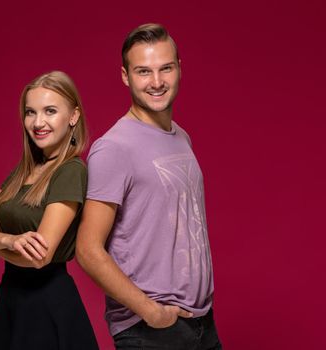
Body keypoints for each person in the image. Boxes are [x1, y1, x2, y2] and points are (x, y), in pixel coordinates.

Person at [76, 24, 222, 349]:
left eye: (165, 68)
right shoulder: (114, 148)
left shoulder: (181, 137)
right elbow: (87, 250)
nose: (156, 82)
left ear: (179, 68)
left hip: (201, 324)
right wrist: (151, 312)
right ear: (126, 76)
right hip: (150, 331)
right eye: (143, 71)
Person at [0, 71, 98, 350]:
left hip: (46, 305)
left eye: (50, 111)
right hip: (11, 299)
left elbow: (40, 257)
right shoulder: (23, 172)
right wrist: (8, 241)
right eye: (30, 112)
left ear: (73, 116)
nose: (38, 122)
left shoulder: (70, 171)